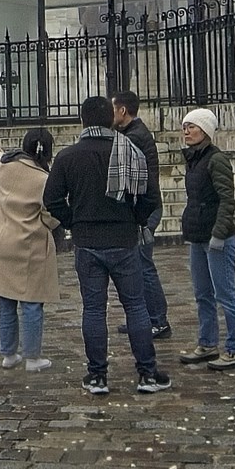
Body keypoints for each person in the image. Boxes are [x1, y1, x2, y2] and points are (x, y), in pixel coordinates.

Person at [43, 93, 166, 396]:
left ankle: (97, 375)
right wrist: (135, 218)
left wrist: (73, 221)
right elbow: (151, 197)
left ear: (82, 120)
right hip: (124, 239)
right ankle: (147, 373)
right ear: (111, 118)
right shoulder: (130, 150)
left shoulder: (68, 157)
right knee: (135, 306)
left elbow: (52, 199)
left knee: (94, 310)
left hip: (87, 240)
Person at [0, 125, 59, 370]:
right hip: (30, 247)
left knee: (6, 301)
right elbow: (50, 216)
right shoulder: (44, 179)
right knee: (31, 302)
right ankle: (33, 358)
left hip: (2, 244)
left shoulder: (3, 166)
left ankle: (8, 354)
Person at [174, 110, 235, 369]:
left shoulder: (216, 160)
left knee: (226, 294)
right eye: (184, 127)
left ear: (205, 130)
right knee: (202, 294)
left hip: (217, 238)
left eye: (191, 127)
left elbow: (227, 200)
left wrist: (219, 234)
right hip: (198, 235)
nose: (186, 132)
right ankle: (207, 343)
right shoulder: (194, 159)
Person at [111, 91, 174, 341]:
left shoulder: (134, 137)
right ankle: (143, 319)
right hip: (145, 206)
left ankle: (158, 320)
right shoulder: (133, 133)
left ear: (122, 111)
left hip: (145, 208)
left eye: (113, 109)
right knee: (137, 265)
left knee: (144, 265)